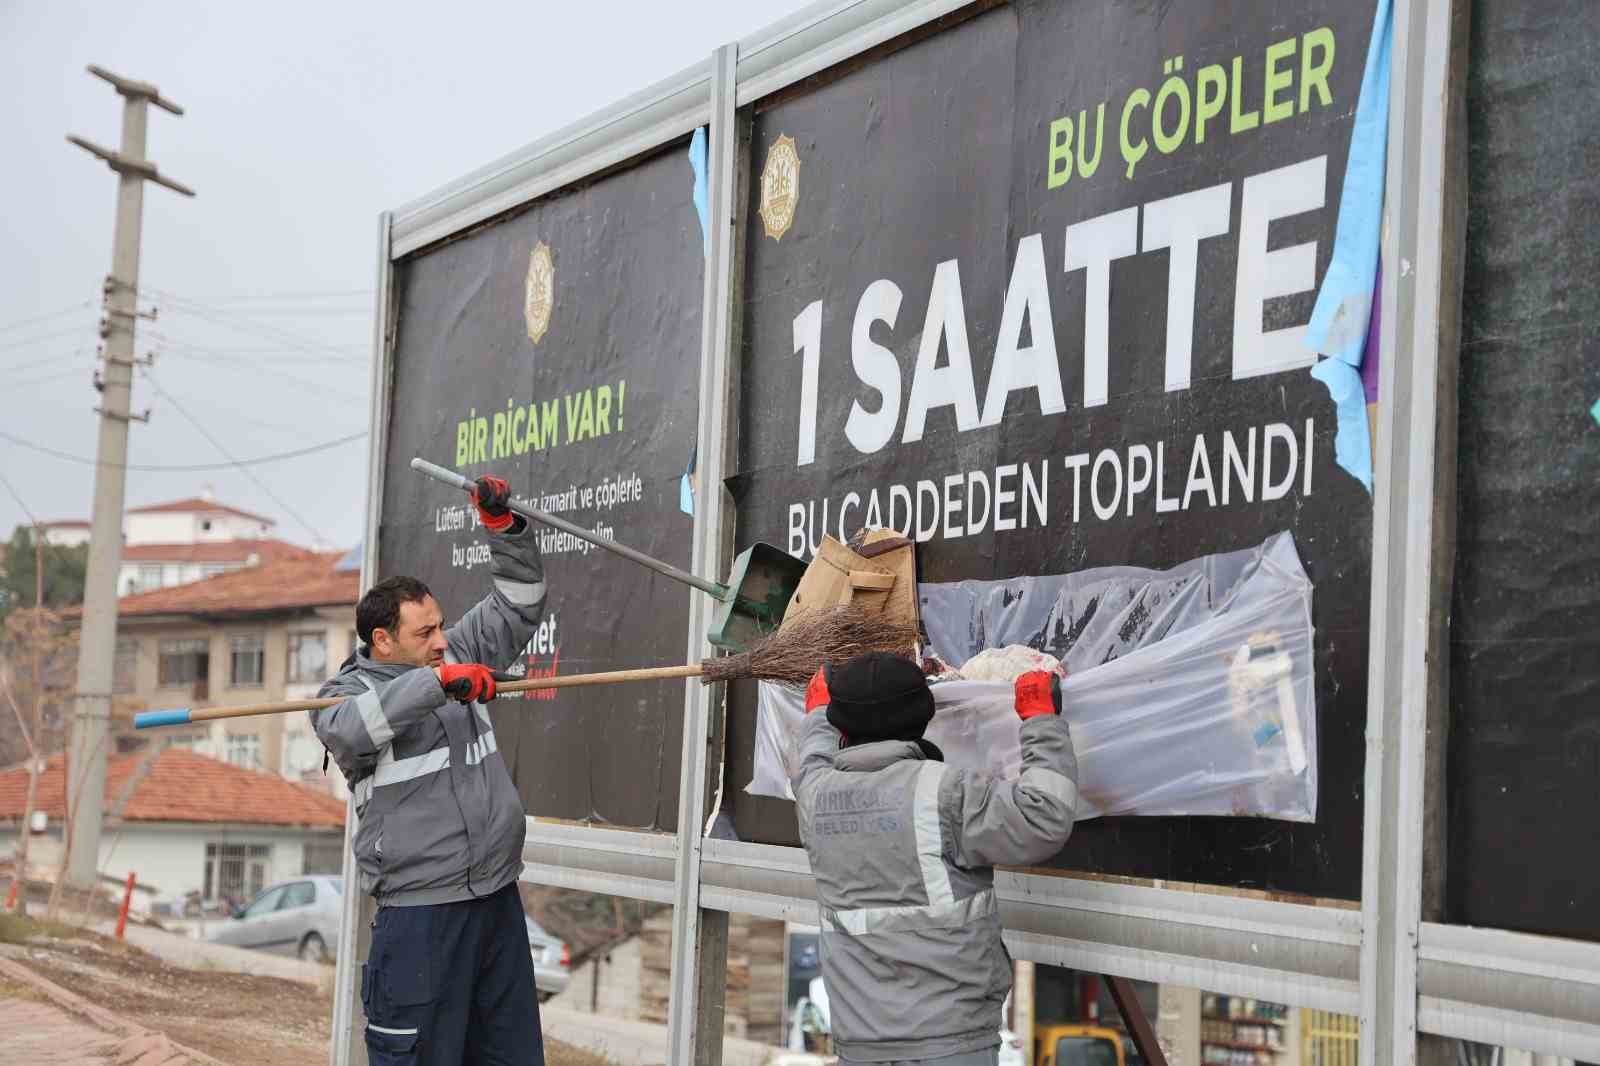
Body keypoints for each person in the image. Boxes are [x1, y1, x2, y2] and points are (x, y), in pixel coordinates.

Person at [313, 474, 547, 1066]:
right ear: (383, 641)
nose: (444, 641)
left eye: (442, 625)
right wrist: (436, 685)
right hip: (420, 919)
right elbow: (347, 729)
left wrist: (504, 529)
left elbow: (520, 604)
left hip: (496, 901)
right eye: (427, 633)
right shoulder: (344, 695)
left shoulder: (454, 655)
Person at [793, 652, 1079, 1066]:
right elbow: (1043, 816)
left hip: (859, 1045)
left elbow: (811, 762)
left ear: (842, 727)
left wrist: (818, 716)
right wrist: (1041, 721)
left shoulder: (816, 798)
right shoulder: (944, 793)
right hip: (950, 1043)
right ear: (922, 717)